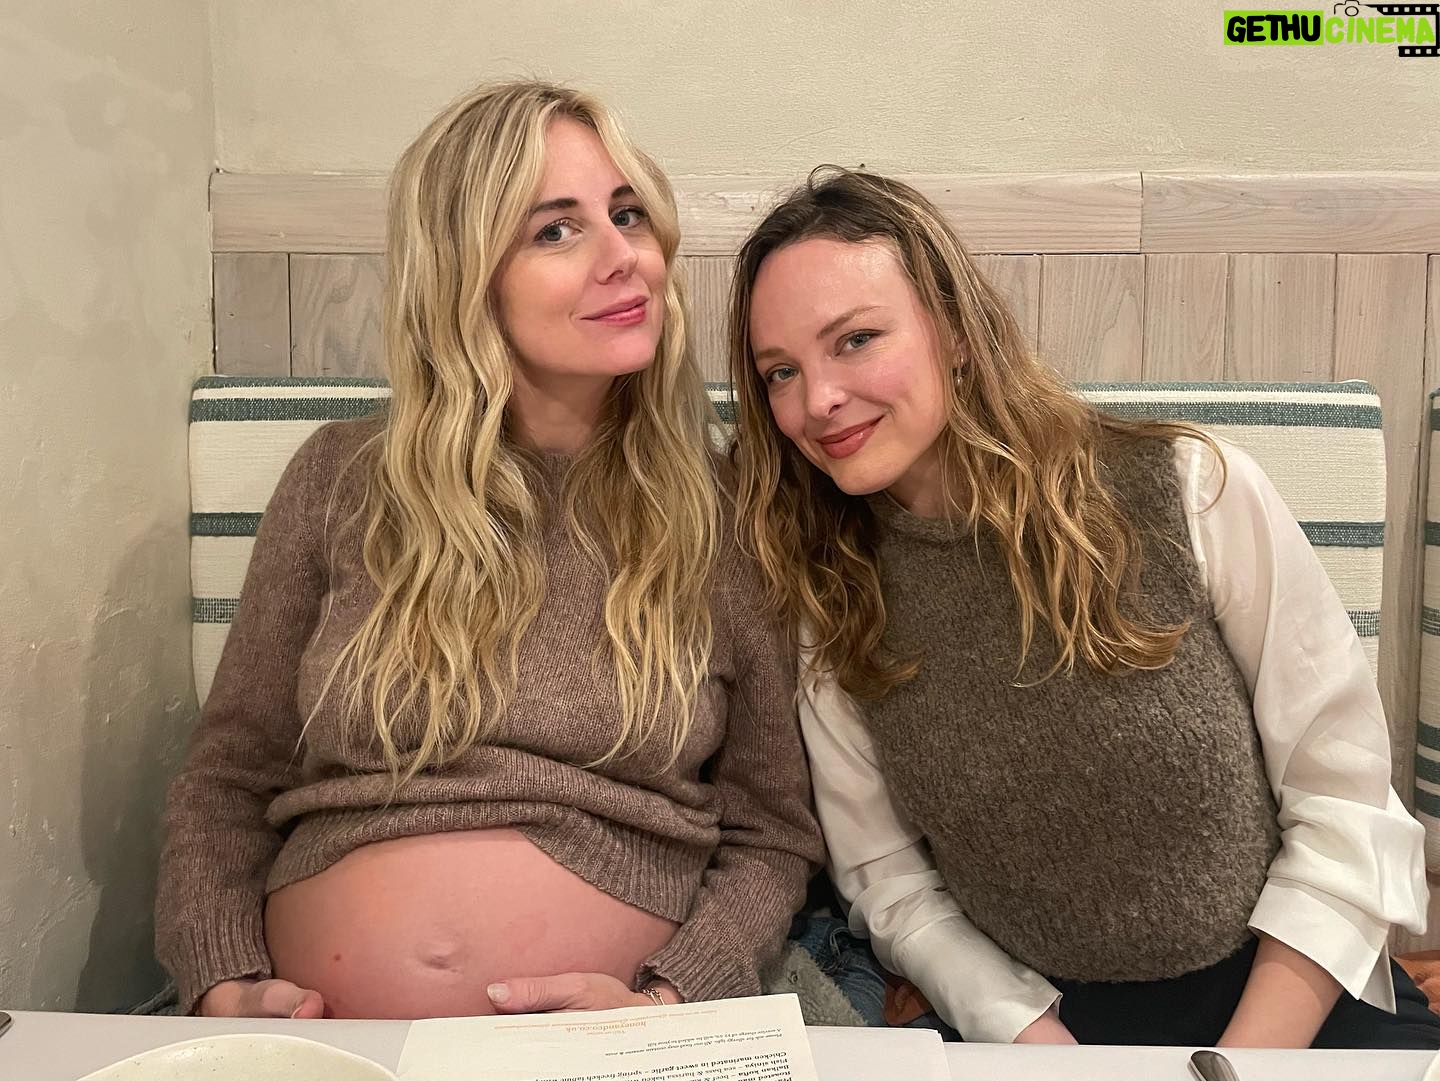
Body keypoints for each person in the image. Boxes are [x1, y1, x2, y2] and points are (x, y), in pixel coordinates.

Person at [725, 166, 1440, 1048]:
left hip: (1291, 992)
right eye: (781, 372)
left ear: (955, 328)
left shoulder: (1191, 488)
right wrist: (1031, 1036)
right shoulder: (831, 597)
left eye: (857, 339)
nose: (817, 401)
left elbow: (1346, 799)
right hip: (1040, 1024)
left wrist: (1239, 1066)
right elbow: (888, 879)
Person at [154, 80, 821, 1021]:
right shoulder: (340, 478)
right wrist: (220, 981)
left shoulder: (724, 511)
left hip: (606, 1049)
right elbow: (228, 776)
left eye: (627, 214)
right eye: (556, 230)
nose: (623, 257)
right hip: (322, 1044)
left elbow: (771, 831)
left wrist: (675, 995)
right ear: (465, 273)